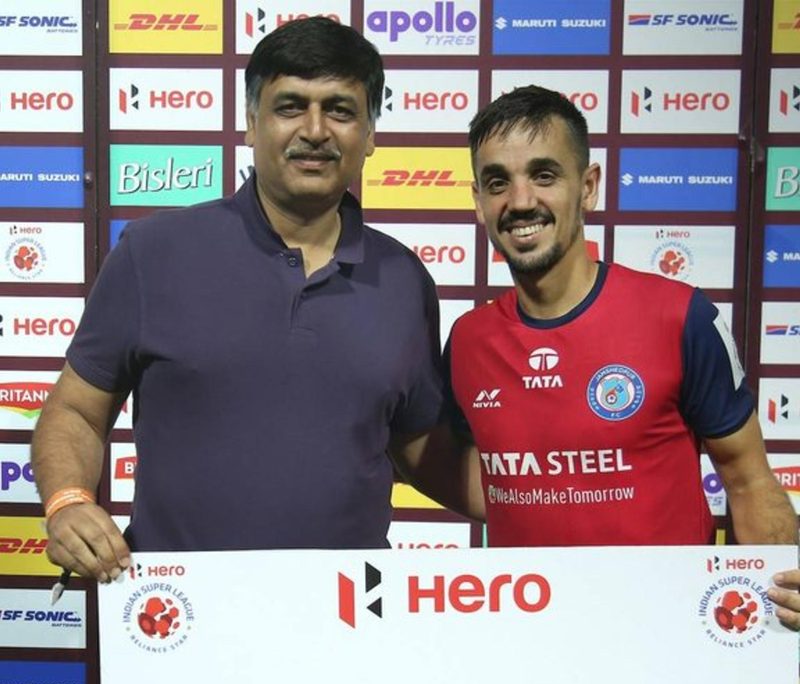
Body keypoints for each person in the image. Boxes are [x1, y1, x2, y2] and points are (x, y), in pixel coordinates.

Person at [31, 17, 481, 584]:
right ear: (250, 123)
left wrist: (554, 498)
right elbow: (75, 410)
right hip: (178, 611)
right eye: (290, 106)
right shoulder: (154, 252)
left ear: (369, 134)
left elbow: (421, 449)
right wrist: (69, 500)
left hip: (349, 612)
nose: (315, 130)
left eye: (340, 110)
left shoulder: (404, 279)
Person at [445, 85, 800, 628]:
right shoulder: (468, 340)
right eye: (498, 182)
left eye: (544, 175)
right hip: (527, 641)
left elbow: (747, 478)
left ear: (588, 187)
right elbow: (469, 472)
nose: (520, 201)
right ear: (478, 202)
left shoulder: (679, 316)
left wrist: (782, 598)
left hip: (671, 636)